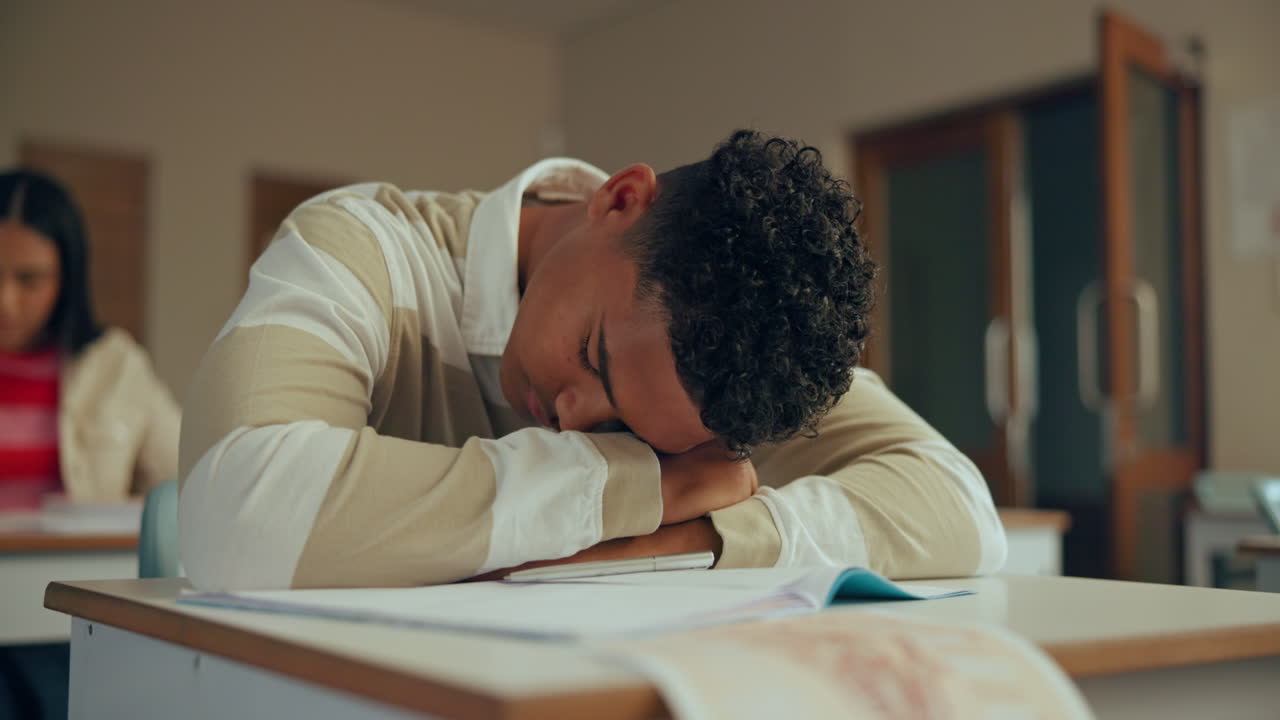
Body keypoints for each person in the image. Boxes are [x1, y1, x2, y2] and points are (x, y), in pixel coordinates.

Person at [179, 130, 1006, 591]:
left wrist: (710, 534)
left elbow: (964, 511)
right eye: (591, 356)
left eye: (636, 434)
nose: (576, 418)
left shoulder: (741, 362)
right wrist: (650, 483)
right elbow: (235, 514)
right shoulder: (361, 247)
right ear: (618, 199)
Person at [0, 169, 181, 720]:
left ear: (67, 277)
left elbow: (189, 480)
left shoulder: (116, 365)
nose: (5, 300)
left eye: (29, 279)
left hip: (64, 614)